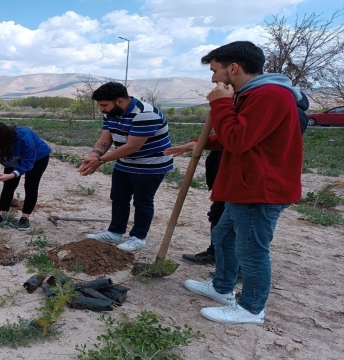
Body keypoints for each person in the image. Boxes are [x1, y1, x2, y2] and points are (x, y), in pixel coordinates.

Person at [182, 41, 303, 324]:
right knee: (223, 237)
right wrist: (200, 144)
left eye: (215, 71)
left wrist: (221, 103)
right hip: (245, 185)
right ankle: (222, 287)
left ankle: (251, 308)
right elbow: (242, 135)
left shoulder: (270, 95)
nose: (213, 79)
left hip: (260, 189)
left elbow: (238, 140)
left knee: (250, 250)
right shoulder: (252, 94)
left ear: (232, 67)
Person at [78, 82, 173, 252]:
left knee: (142, 201)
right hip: (125, 162)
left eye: (104, 105)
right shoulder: (111, 113)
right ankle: (115, 232)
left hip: (151, 165)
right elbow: (105, 139)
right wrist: (94, 155)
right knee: (118, 197)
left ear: (120, 101)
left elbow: (132, 146)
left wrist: (100, 161)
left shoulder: (146, 114)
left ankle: (138, 237)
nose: (101, 109)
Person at [0, 122, 51, 231]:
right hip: (13, 157)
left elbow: (27, 162)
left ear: (4, 137)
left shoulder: (23, 138)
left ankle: (25, 218)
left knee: (31, 186)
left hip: (37, 157)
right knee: (8, 185)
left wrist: (12, 174)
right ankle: (1, 215)